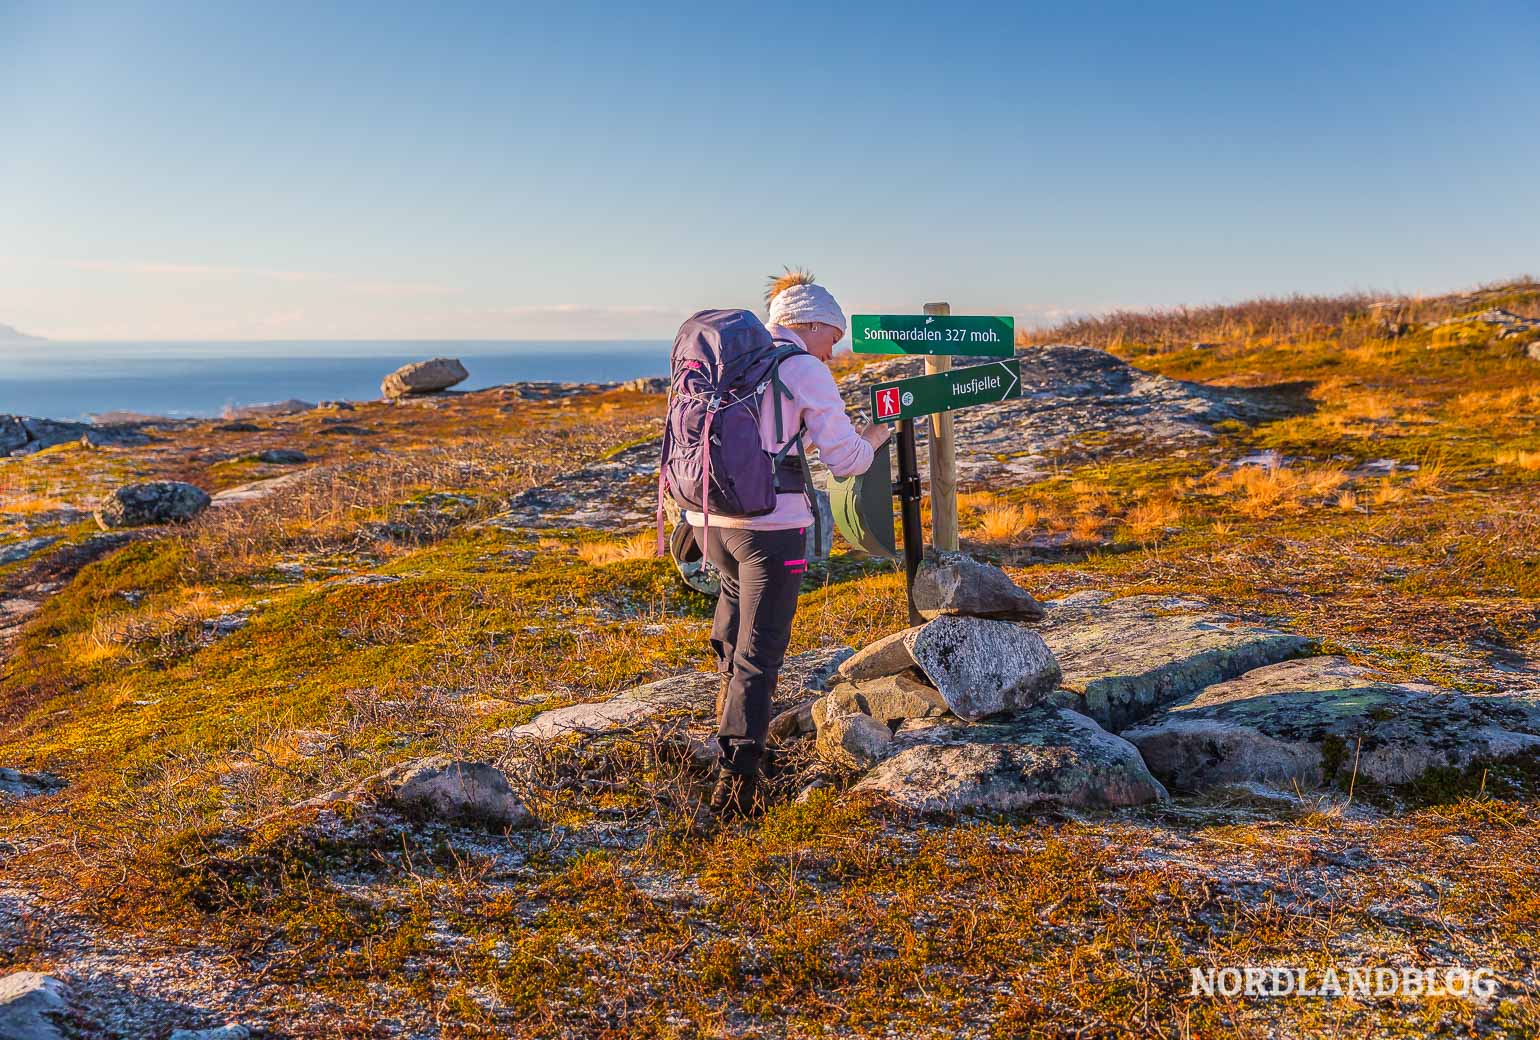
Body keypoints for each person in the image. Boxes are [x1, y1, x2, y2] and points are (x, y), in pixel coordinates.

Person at [682, 270, 890, 817]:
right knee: (761, 649)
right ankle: (740, 781)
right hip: (771, 528)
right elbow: (845, 461)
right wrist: (875, 435)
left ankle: (722, 736)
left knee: (734, 638)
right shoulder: (799, 367)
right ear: (812, 323)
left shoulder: (733, 360)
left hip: (709, 521)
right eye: (834, 338)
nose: (834, 353)